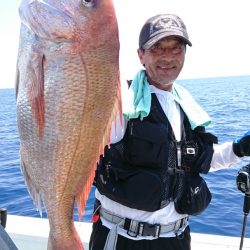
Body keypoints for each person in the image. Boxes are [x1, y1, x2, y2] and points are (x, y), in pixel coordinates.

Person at [89, 14, 250, 250]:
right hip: (121, 239)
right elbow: (79, 140)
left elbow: (197, 159)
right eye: (156, 48)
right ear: (140, 55)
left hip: (176, 239)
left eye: (176, 48)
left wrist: (239, 148)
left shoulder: (185, 106)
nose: (167, 56)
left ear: (185, 54)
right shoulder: (118, 101)